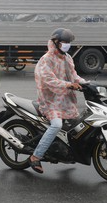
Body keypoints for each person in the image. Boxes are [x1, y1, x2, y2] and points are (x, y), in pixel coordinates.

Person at [30, 28, 88, 174]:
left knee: (77, 125)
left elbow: (74, 76)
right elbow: (49, 80)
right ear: (56, 42)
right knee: (57, 125)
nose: (67, 45)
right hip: (50, 100)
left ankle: (67, 153)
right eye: (64, 42)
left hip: (65, 100)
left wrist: (86, 84)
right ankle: (35, 156)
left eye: (69, 43)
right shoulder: (46, 59)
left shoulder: (67, 58)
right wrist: (68, 85)